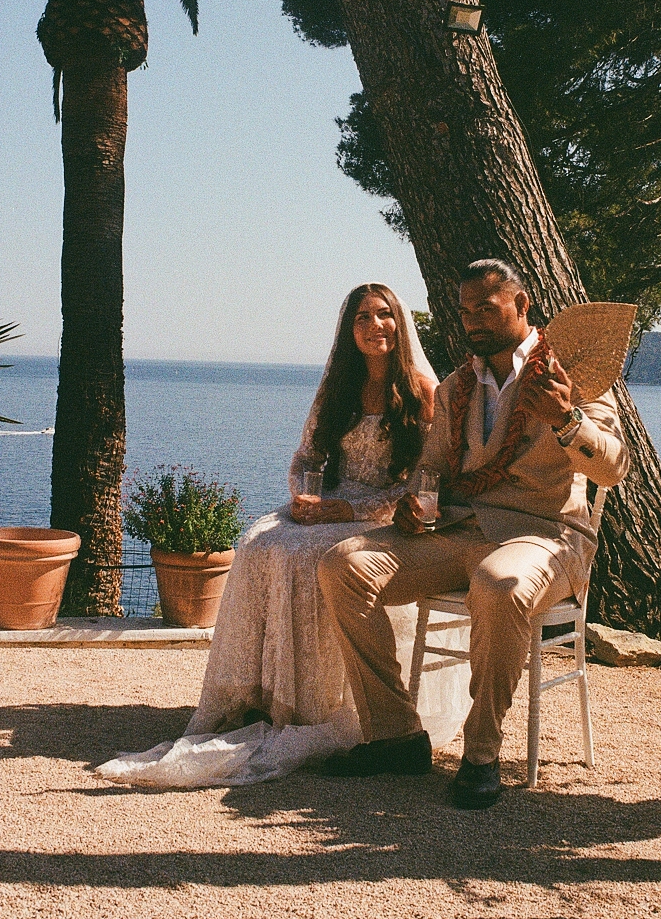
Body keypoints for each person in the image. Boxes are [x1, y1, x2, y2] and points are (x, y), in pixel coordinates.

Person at [97, 283, 469, 790]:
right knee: (260, 542)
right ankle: (258, 695)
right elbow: (306, 458)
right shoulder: (337, 388)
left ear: (400, 324)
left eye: (384, 315)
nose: (374, 326)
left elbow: (424, 481)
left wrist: (350, 509)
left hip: (379, 515)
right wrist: (302, 498)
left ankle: (313, 705)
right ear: (349, 330)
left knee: (308, 555)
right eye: (362, 317)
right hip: (328, 504)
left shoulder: (424, 391)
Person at [317, 258, 630, 810]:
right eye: (465, 313)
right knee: (342, 565)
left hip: (544, 536)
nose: (473, 322)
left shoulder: (570, 372)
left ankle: (481, 754)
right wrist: (414, 504)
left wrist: (567, 420)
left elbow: (613, 467)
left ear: (521, 304)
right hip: (459, 531)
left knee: (499, 583)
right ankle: (396, 735)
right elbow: (432, 470)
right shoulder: (457, 386)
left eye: (486, 308)